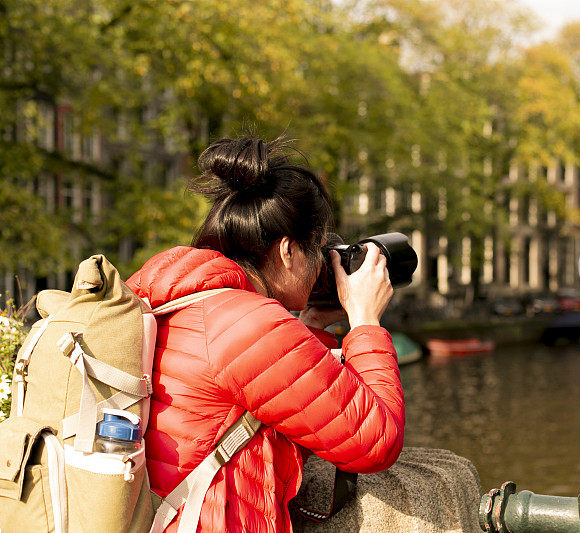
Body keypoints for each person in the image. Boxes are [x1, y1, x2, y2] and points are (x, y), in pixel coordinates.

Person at [126, 135, 405, 532]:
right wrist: (364, 319)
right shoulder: (250, 323)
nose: (318, 267)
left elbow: (266, 394)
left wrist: (308, 325)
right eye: (317, 251)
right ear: (288, 251)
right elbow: (376, 441)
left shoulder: (179, 298)